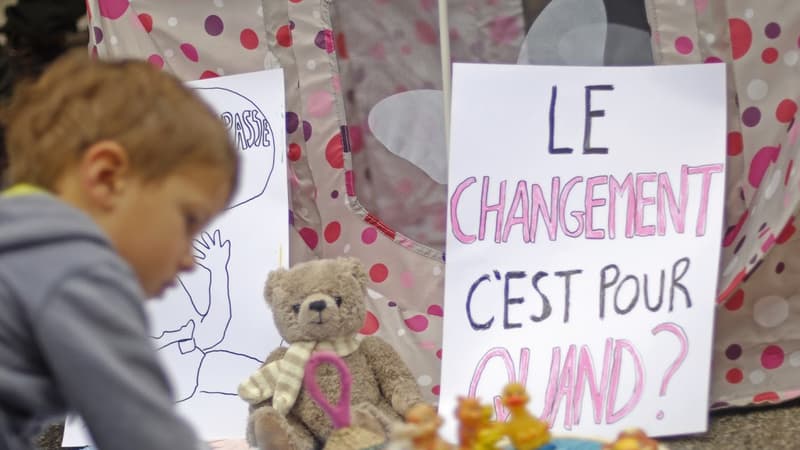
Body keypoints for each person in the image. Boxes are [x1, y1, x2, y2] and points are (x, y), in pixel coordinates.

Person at [0, 49, 238, 450]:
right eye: (189, 221)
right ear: (107, 178)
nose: (189, 259)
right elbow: (145, 436)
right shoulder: (77, 264)